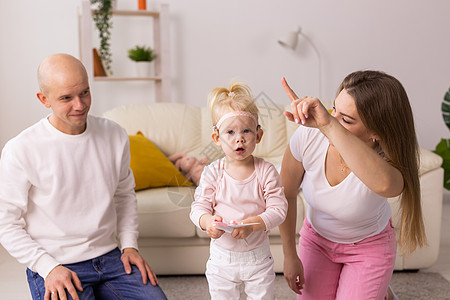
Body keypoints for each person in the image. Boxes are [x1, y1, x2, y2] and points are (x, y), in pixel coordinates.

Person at [0, 53, 167, 300]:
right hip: (57, 263)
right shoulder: (21, 149)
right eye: (66, 98)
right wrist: (48, 268)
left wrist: (130, 246)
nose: (80, 105)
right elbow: (6, 224)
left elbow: (124, 195)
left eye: (85, 93)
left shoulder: (115, 134)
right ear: (43, 99)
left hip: (111, 258)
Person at [278, 70, 426, 299]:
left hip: (369, 248)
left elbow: (388, 185)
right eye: (333, 109)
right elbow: (286, 194)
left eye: (346, 120)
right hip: (317, 240)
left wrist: (329, 126)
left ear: (376, 132)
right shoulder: (307, 137)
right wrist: (289, 254)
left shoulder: (385, 161)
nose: (331, 120)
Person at [190, 82, 288, 299]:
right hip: (222, 258)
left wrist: (252, 225)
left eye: (246, 131)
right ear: (217, 138)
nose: (239, 138)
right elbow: (198, 207)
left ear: (258, 135)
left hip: (258, 258)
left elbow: (279, 209)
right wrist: (207, 222)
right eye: (230, 132)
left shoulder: (266, 171)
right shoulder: (212, 172)